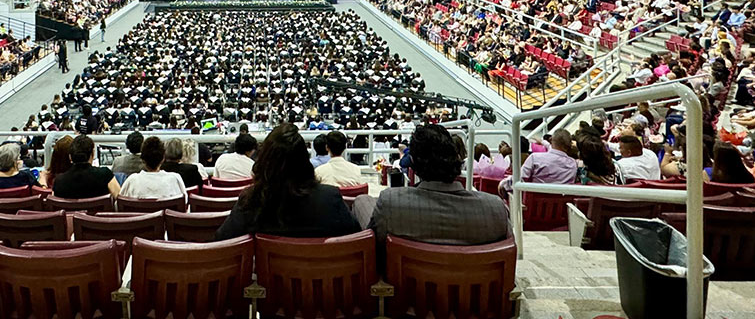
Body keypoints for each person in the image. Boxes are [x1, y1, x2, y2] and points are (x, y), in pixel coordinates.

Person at [353, 124, 509, 246]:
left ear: (413, 162)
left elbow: (373, 240)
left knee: (362, 201)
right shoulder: (496, 208)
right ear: (457, 157)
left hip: (410, 283)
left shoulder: (390, 202)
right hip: (474, 283)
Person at [216, 124, 359, 240]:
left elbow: (222, 241)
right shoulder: (329, 198)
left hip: (268, 275)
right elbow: (356, 237)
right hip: (321, 274)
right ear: (304, 161)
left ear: (265, 161)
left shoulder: (251, 201)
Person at [501, 130, 578, 193]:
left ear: (551, 139)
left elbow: (518, 179)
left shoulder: (535, 158)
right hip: (562, 209)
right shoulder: (573, 164)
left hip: (533, 209)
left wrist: (502, 185)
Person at [51, 135, 120, 198]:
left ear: (70, 157)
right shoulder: (105, 175)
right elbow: (119, 199)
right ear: (92, 154)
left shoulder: (59, 182)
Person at [119, 136, 188, 200]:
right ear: (163, 158)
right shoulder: (175, 179)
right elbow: (185, 203)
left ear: (142, 159)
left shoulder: (132, 181)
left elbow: (119, 204)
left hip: (142, 213)